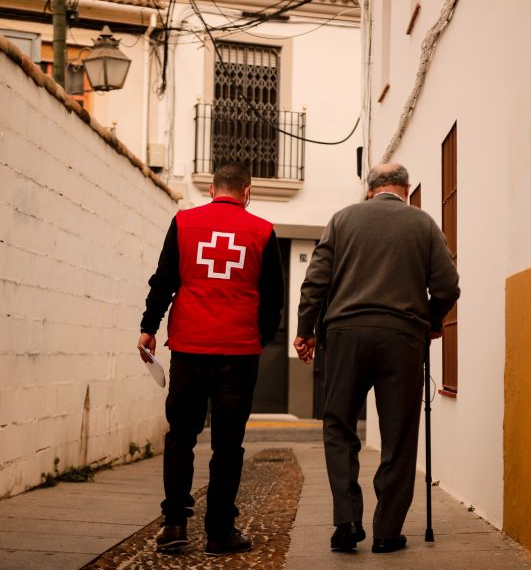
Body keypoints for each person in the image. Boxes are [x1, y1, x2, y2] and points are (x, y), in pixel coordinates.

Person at [294, 162, 459, 554]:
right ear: (405, 188)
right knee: (399, 435)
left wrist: (305, 331)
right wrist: (432, 321)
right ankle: (387, 531)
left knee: (339, 425)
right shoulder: (423, 224)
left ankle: (347, 520)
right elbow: (448, 284)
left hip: (346, 336)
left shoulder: (341, 220)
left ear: (370, 190)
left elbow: (316, 280)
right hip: (402, 338)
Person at [138, 162, 285, 556]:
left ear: (211, 188)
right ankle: (220, 531)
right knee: (228, 444)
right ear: (247, 191)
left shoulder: (184, 222)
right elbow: (274, 297)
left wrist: (149, 325)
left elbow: (164, 279)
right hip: (238, 353)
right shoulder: (263, 231)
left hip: (188, 348)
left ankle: (174, 525)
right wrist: (260, 339)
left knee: (181, 437)